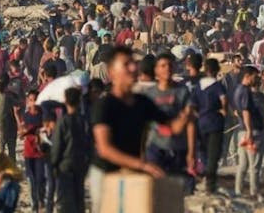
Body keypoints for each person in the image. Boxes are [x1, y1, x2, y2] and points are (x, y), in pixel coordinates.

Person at [88, 47, 190, 213]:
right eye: (126, 64)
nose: (133, 68)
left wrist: (186, 117)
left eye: (134, 63)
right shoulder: (104, 105)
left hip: (132, 172)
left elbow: (170, 127)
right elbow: (104, 149)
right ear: (112, 72)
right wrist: (143, 165)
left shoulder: (143, 102)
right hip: (106, 173)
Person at [133, 53, 194, 192]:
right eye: (163, 66)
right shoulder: (149, 94)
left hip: (178, 147)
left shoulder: (182, 92)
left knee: (176, 192)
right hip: (155, 147)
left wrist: (192, 152)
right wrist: (140, 151)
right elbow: (143, 126)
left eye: (170, 65)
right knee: (156, 189)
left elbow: (190, 123)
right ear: (156, 70)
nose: (167, 68)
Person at [51, 87, 91, 213]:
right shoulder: (84, 120)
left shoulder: (63, 121)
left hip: (65, 165)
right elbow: (89, 143)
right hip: (81, 162)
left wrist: (54, 163)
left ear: (66, 101)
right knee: (79, 196)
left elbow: (57, 145)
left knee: (66, 199)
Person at [192, 57, 228, 194]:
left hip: (201, 122)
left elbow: (192, 105)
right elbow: (224, 100)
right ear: (217, 70)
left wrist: (199, 115)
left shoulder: (198, 86)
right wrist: (223, 111)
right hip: (215, 122)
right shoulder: (218, 86)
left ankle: (204, 177)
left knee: (203, 152)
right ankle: (210, 184)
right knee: (214, 153)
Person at [234, 65, 264, 198]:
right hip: (251, 132)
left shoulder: (238, 90)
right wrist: (250, 131)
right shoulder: (246, 91)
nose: (257, 78)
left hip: (242, 131)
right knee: (254, 165)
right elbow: (246, 111)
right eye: (255, 76)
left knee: (243, 165)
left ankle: (238, 190)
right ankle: (254, 192)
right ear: (247, 76)